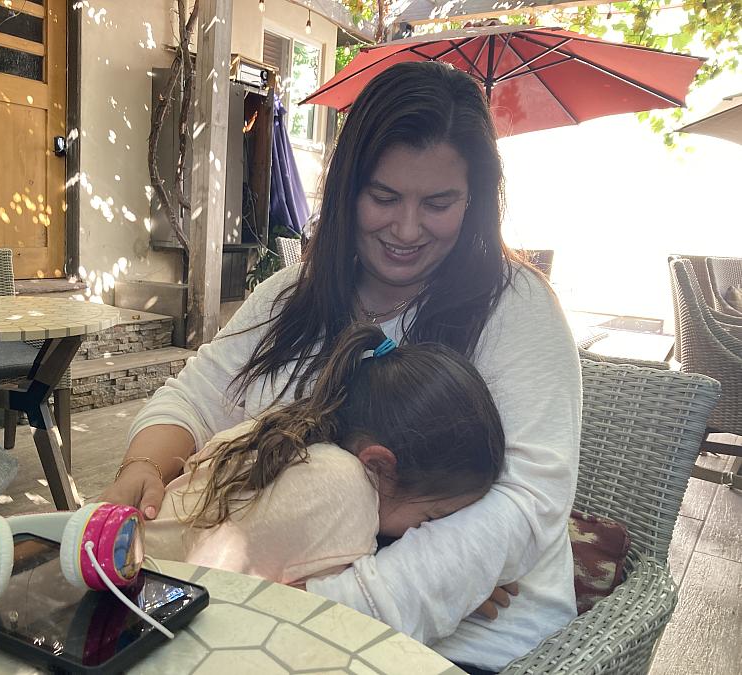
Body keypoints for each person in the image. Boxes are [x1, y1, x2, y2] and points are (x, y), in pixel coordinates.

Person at [103, 61, 581, 673]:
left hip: (461, 647)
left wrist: (348, 595)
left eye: (439, 203)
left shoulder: (515, 306)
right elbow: (196, 397)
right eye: (383, 197)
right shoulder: (290, 295)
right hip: (251, 612)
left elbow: (524, 504)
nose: (406, 229)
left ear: (476, 201)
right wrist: (142, 467)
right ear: (347, 187)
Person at [143, 323, 506, 588]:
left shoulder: (288, 429)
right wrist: (446, 587)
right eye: (433, 515)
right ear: (378, 464)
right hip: (141, 616)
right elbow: (316, 624)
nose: (433, 531)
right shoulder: (348, 493)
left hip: (119, 569)